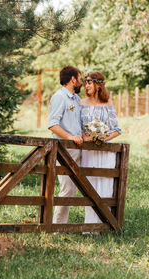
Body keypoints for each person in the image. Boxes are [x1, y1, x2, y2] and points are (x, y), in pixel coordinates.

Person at [80, 71, 122, 227]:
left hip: (105, 151)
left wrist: (103, 138)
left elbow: (117, 129)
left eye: (89, 83)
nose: (86, 86)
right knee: (90, 186)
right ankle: (90, 227)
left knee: (105, 185)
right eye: (85, 82)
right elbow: (78, 128)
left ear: (98, 85)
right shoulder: (81, 103)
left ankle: (106, 225)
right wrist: (86, 137)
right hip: (88, 152)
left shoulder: (108, 104)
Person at [48, 65, 83, 224]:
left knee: (77, 188)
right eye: (80, 79)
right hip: (64, 149)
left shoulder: (76, 99)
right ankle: (57, 226)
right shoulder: (59, 97)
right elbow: (53, 125)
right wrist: (71, 137)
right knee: (67, 187)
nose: (81, 82)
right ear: (73, 79)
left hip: (80, 148)